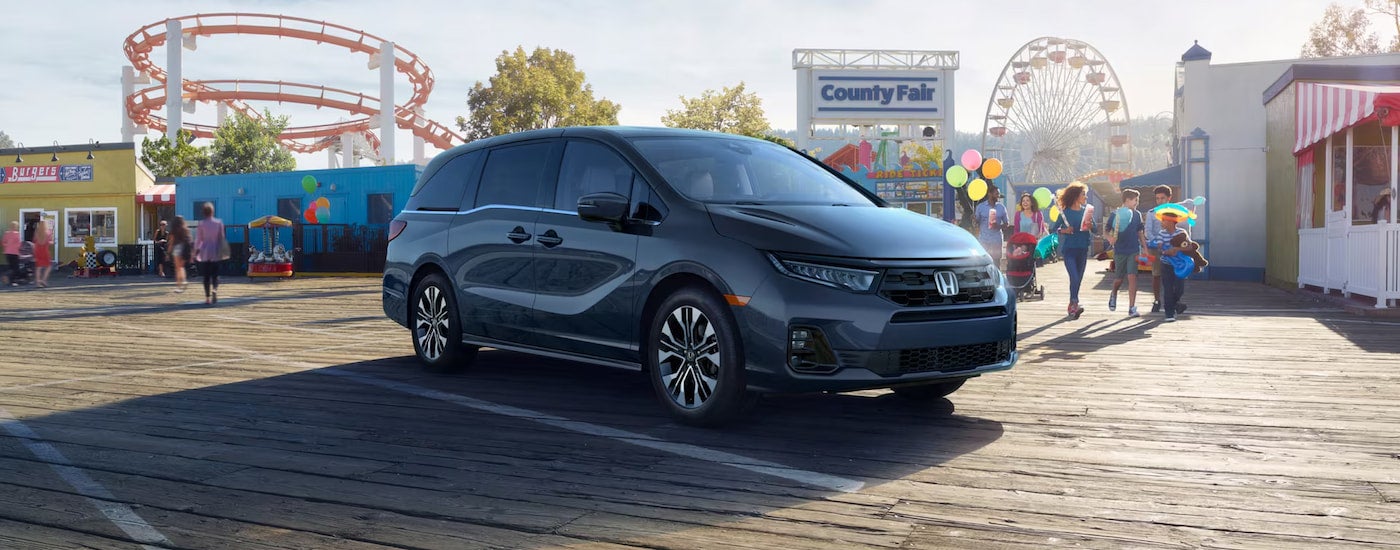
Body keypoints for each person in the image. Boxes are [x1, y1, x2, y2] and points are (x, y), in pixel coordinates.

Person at [1047, 182, 1094, 319]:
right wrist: (1064, 230)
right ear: (1075, 196)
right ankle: (1075, 303)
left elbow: (1095, 229)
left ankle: (1072, 304)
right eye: (1083, 194)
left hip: (1083, 249)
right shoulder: (1065, 212)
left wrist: (1091, 225)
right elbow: (1053, 229)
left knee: (1078, 279)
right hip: (1069, 251)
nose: (1085, 197)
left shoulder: (1087, 211)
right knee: (1074, 277)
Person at [1105, 189, 1148, 317]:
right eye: (1135, 200)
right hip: (1120, 251)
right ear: (1127, 200)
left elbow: (1140, 233)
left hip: (1134, 250)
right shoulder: (1115, 214)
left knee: (1132, 277)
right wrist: (1109, 238)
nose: (1137, 203)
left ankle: (1132, 307)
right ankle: (1113, 293)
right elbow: (1106, 231)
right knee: (1119, 279)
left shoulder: (1137, 215)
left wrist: (1144, 247)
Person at [1153, 210, 1192, 322]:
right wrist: (1165, 252)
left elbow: (1189, 247)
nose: (1162, 222)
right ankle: (1169, 313)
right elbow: (1159, 248)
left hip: (1180, 266)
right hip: (1166, 265)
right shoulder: (1161, 234)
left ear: (1170, 222)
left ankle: (1174, 304)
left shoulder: (1181, 232)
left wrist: (1177, 249)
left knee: (1180, 289)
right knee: (1168, 289)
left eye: (1164, 220)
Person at [194, 202, 226, 305]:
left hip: (205, 252)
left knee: (206, 276)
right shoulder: (218, 223)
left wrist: (195, 251)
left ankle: (207, 298)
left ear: (203, 212)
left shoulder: (201, 224)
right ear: (212, 212)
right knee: (215, 275)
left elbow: (199, 240)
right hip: (216, 251)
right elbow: (221, 238)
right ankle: (215, 289)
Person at [975, 186, 1010, 267]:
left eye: (999, 194)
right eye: (996, 193)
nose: (998, 196)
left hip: (996, 239)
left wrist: (998, 226)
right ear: (989, 194)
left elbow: (1007, 224)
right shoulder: (980, 207)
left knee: (996, 262)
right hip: (984, 239)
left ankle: (996, 278)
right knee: (983, 261)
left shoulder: (1001, 207)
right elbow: (976, 223)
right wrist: (974, 220)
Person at [169, 215, 192, 293]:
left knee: (177, 268)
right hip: (185, 249)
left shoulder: (173, 230)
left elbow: (171, 242)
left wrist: (168, 252)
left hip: (177, 248)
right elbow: (189, 240)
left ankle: (179, 286)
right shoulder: (185, 229)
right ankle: (184, 280)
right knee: (181, 267)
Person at [32, 218, 52, 288]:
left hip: (37, 250)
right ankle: (43, 280)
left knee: (38, 267)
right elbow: (48, 242)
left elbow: (34, 241)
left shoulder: (37, 232)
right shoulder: (48, 232)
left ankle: (38, 282)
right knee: (48, 266)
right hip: (45, 250)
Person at [3, 221, 20, 287]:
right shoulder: (17, 234)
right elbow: (19, 244)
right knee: (16, 268)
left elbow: (3, 242)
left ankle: (9, 280)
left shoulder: (6, 233)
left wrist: (7, 245)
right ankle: (13, 281)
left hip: (7, 252)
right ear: (16, 227)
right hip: (14, 252)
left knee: (11, 267)